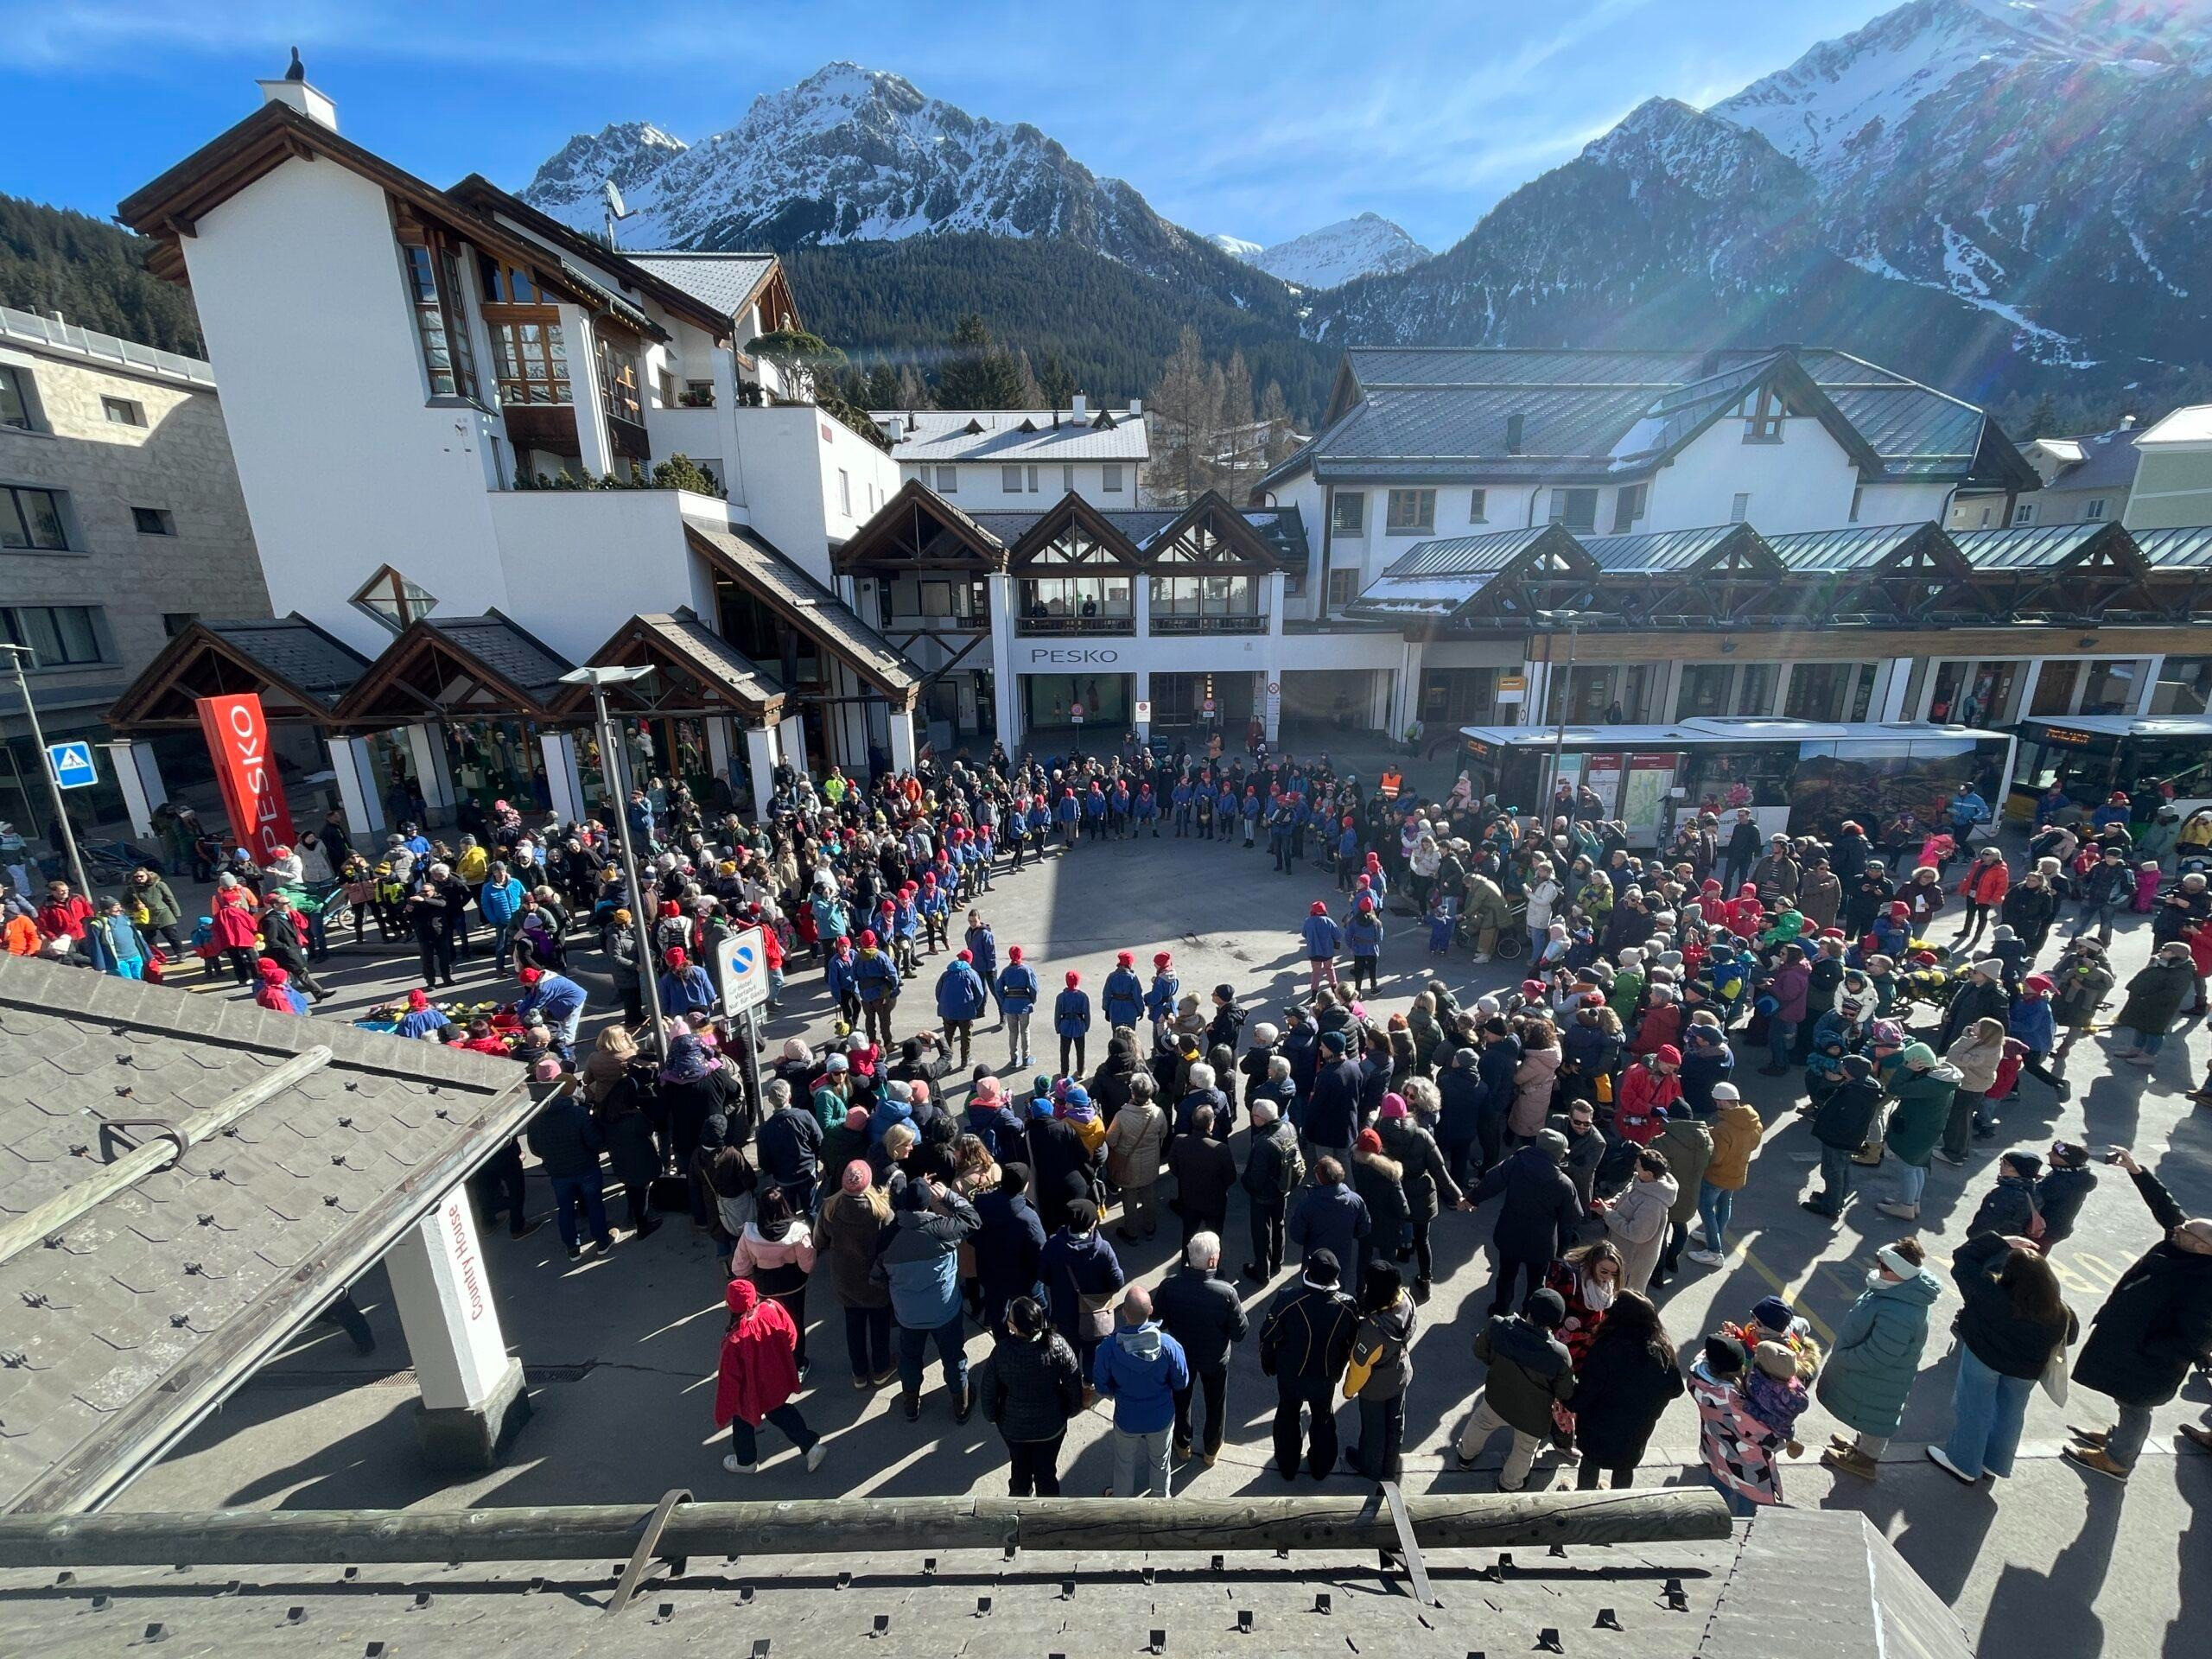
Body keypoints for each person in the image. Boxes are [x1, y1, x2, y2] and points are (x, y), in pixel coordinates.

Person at [2063, 1148, 2212, 1482]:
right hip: (2134, 1349)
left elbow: (2193, 1337)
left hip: (2148, 1361)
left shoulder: (2205, 1284)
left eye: (2187, 1230)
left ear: (2203, 1248)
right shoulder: (2186, 1246)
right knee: (2127, 1401)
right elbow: (2166, 1207)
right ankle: (2119, 1439)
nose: (2179, 1228)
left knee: (2135, 1406)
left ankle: (2118, 1459)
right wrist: (2137, 1170)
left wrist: (2146, 1348)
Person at [1928, 1231, 2075, 1484]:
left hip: (1984, 1358)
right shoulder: (2058, 1310)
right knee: (2010, 1413)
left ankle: (1963, 1463)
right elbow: (2069, 1337)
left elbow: (1963, 1259)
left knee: (1974, 1408)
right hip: (2026, 1371)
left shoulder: (1991, 1293)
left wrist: (2001, 1242)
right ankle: (1994, 1462)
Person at [1815, 1239, 1941, 1479]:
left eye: (1884, 1267)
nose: (1877, 1269)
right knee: (1870, 1414)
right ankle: (1861, 1450)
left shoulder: (1901, 1312)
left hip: (1879, 1377)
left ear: (1901, 1272)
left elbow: (1879, 1353)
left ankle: (1865, 1460)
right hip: (1877, 1377)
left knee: (1875, 1416)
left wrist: (1844, 1358)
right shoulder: (1897, 1289)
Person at [880, 1174, 982, 1422]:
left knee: (911, 1357)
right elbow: (973, 1219)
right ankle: (961, 1404)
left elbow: (877, 1274)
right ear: (928, 1203)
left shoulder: (889, 1235)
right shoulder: (942, 1229)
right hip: (944, 1310)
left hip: (908, 1315)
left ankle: (911, 1403)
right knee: (953, 1356)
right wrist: (948, 1196)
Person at [1455, 1286, 1573, 1492]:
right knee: (1524, 1449)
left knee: (1480, 1423)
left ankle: (1465, 1457)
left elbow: (1480, 1351)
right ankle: (1509, 1485)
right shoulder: (1559, 1355)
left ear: (1529, 1308)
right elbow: (1565, 1392)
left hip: (1497, 1398)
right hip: (1533, 1415)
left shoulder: (1499, 1326)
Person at [1567, 1290, 1685, 1491]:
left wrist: (1568, 1401)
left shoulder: (1606, 1347)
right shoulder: (1663, 1350)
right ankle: (1619, 1503)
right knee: (1624, 1467)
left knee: (1591, 1463)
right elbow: (1676, 1389)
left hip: (1598, 1427)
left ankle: (1583, 1498)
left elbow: (1587, 1391)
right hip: (1636, 1431)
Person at [1258, 1247, 1357, 1481]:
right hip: (1325, 1375)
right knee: (1323, 1418)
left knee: (1287, 1416)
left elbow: (1268, 1335)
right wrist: (1340, 1367)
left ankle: (1287, 1466)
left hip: (1291, 1375)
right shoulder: (1347, 1305)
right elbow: (1351, 1341)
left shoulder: (1288, 1299)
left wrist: (1269, 1363)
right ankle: (1321, 1468)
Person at [1155, 1230, 1249, 1466]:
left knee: (1181, 1400)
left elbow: (1158, 1320)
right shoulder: (1226, 1293)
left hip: (1181, 1356)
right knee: (1216, 1404)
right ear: (1212, 1261)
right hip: (1215, 1359)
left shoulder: (1170, 1286)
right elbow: (1240, 1332)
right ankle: (1211, 1449)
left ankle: (1182, 1444)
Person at [713, 1278, 824, 1476]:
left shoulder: (734, 1340)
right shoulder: (772, 1307)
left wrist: (723, 1411)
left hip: (752, 1390)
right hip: (776, 1378)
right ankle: (810, 1445)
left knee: (742, 1419)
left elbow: (729, 1381)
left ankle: (746, 1461)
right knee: (780, 1411)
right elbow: (791, 1335)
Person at [977, 1294, 1085, 1496]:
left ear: (1014, 1327)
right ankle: (1047, 1513)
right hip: (1051, 1427)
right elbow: (1073, 1382)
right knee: (1046, 1474)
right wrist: (1070, 1410)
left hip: (1014, 1430)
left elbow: (988, 1390)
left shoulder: (1002, 1352)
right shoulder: (1058, 1345)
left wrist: (992, 1416)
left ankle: (1019, 1509)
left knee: (1019, 1471)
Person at [1470, 1128, 1585, 1316]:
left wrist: (1472, 1199)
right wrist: (1563, 1249)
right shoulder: (1563, 1183)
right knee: (1535, 1282)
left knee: (1506, 1275)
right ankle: (1528, 1315)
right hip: (1541, 1244)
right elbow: (1572, 1217)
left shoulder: (1517, 1162)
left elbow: (1493, 1181)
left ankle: (1500, 1309)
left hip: (1510, 1234)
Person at [1094, 1285, 1190, 1497]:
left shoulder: (1108, 1349)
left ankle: (1122, 1500)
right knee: (1160, 1463)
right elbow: (1181, 1381)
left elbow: (1101, 1385)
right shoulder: (1169, 1345)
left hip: (1127, 1418)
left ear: (1124, 1314)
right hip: (1161, 1418)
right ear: (1151, 1310)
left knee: (1124, 1463)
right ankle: (1159, 1500)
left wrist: (1117, 1392)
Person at [817, 1161, 896, 1389]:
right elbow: (890, 1245)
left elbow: (819, 1241)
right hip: (876, 1280)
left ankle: (859, 1373)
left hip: (846, 1279)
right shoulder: (882, 1210)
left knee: (854, 1325)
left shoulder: (830, 1207)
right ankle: (881, 1369)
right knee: (880, 1325)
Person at [729, 1186, 817, 1376]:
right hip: (793, 1287)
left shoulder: (750, 1233)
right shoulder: (799, 1232)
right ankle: (797, 1365)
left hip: (765, 1288)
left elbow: (739, 1267)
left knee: (769, 1326)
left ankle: (775, 1362)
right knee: (795, 1324)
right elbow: (807, 1265)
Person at [1344, 1260, 1419, 1480]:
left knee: (1373, 1431)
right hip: (1400, 1373)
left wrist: (1349, 1391)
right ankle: (1390, 1467)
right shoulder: (1407, 1301)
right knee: (1395, 1425)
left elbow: (1360, 1367)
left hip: (1375, 1388)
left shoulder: (1372, 1330)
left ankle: (1369, 1466)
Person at [525, 1086, 613, 1261]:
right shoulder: (579, 1114)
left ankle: (572, 1248)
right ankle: (602, 1242)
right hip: (586, 1168)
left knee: (565, 1209)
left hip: (558, 1173)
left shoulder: (536, 1121)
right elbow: (595, 1142)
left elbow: (535, 1149)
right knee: (594, 1205)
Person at [1688, 1083, 1761, 1268]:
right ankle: (1714, 1237)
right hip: (1737, 1173)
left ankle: (1714, 1250)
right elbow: (1752, 1145)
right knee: (1724, 1206)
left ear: (1722, 1101)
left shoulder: (1724, 1128)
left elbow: (1715, 1157)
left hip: (1717, 1176)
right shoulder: (1753, 1121)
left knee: (1705, 1208)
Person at [1240, 1096, 1304, 1283]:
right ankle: (1277, 1261)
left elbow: (1256, 1178)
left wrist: (1246, 1183)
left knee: (1261, 1233)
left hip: (1263, 1196)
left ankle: (1262, 1271)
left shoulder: (1264, 1143)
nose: (1252, 1118)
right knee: (1279, 1224)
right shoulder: (1289, 1127)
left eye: (1254, 1116)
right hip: (1283, 1189)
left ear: (1262, 1119)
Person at [1598, 1147, 1676, 1298]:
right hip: (1621, 1255)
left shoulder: (1653, 1205)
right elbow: (1628, 1195)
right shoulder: (1641, 1181)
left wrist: (1607, 1214)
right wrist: (1614, 1202)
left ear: (1649, 1173)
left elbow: (1636, 1234)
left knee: (1623, 1298)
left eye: (1638, 1165)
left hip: (1632, 1264)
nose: (1635, 1167)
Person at [2112, 941, 2197, 1068]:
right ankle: (2135, 1049)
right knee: (2140, 1026)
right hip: (2145, 1002)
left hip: (2160, 1007)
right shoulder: (2161, 962)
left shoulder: (2181, 972)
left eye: (2165, 949)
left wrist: (2148, 998)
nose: (2161, 951)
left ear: (2174, 955)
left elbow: (2174, 993)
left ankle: (2148, 1056)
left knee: (2154, 1032)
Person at [1105, 1071, 1168, 1242]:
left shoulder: (1122, 1116)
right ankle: (1150, 1227)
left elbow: (1110, 1140)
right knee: (1149, 1194)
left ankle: (1131, 1232)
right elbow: (1164, 1133)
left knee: (1129, 1197)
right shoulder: (1158, 1113)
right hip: (1150, 1162)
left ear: (1133, 1093)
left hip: (1128, 1165)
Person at [1168, 1103, 1237, 1248]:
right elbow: (1231, 1177)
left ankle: (1187, 1264)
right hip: (1215, 1202)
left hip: (1189, 1199)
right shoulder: (1221, 1149)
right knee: (1214, 1240)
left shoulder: (1180, 1141)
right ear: (1210, 1125)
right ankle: (1213, 1268)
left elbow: (1173, 1167)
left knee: (1188, 1236)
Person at [1288, 1155, 1370, 1272]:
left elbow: (1296, 1235)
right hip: (1341, 1261)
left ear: (1320, 1178)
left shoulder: (1308, 1203)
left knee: (1311, 1288)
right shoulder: (1355, 1200)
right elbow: (1365, 1228)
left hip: (1314, 1260)